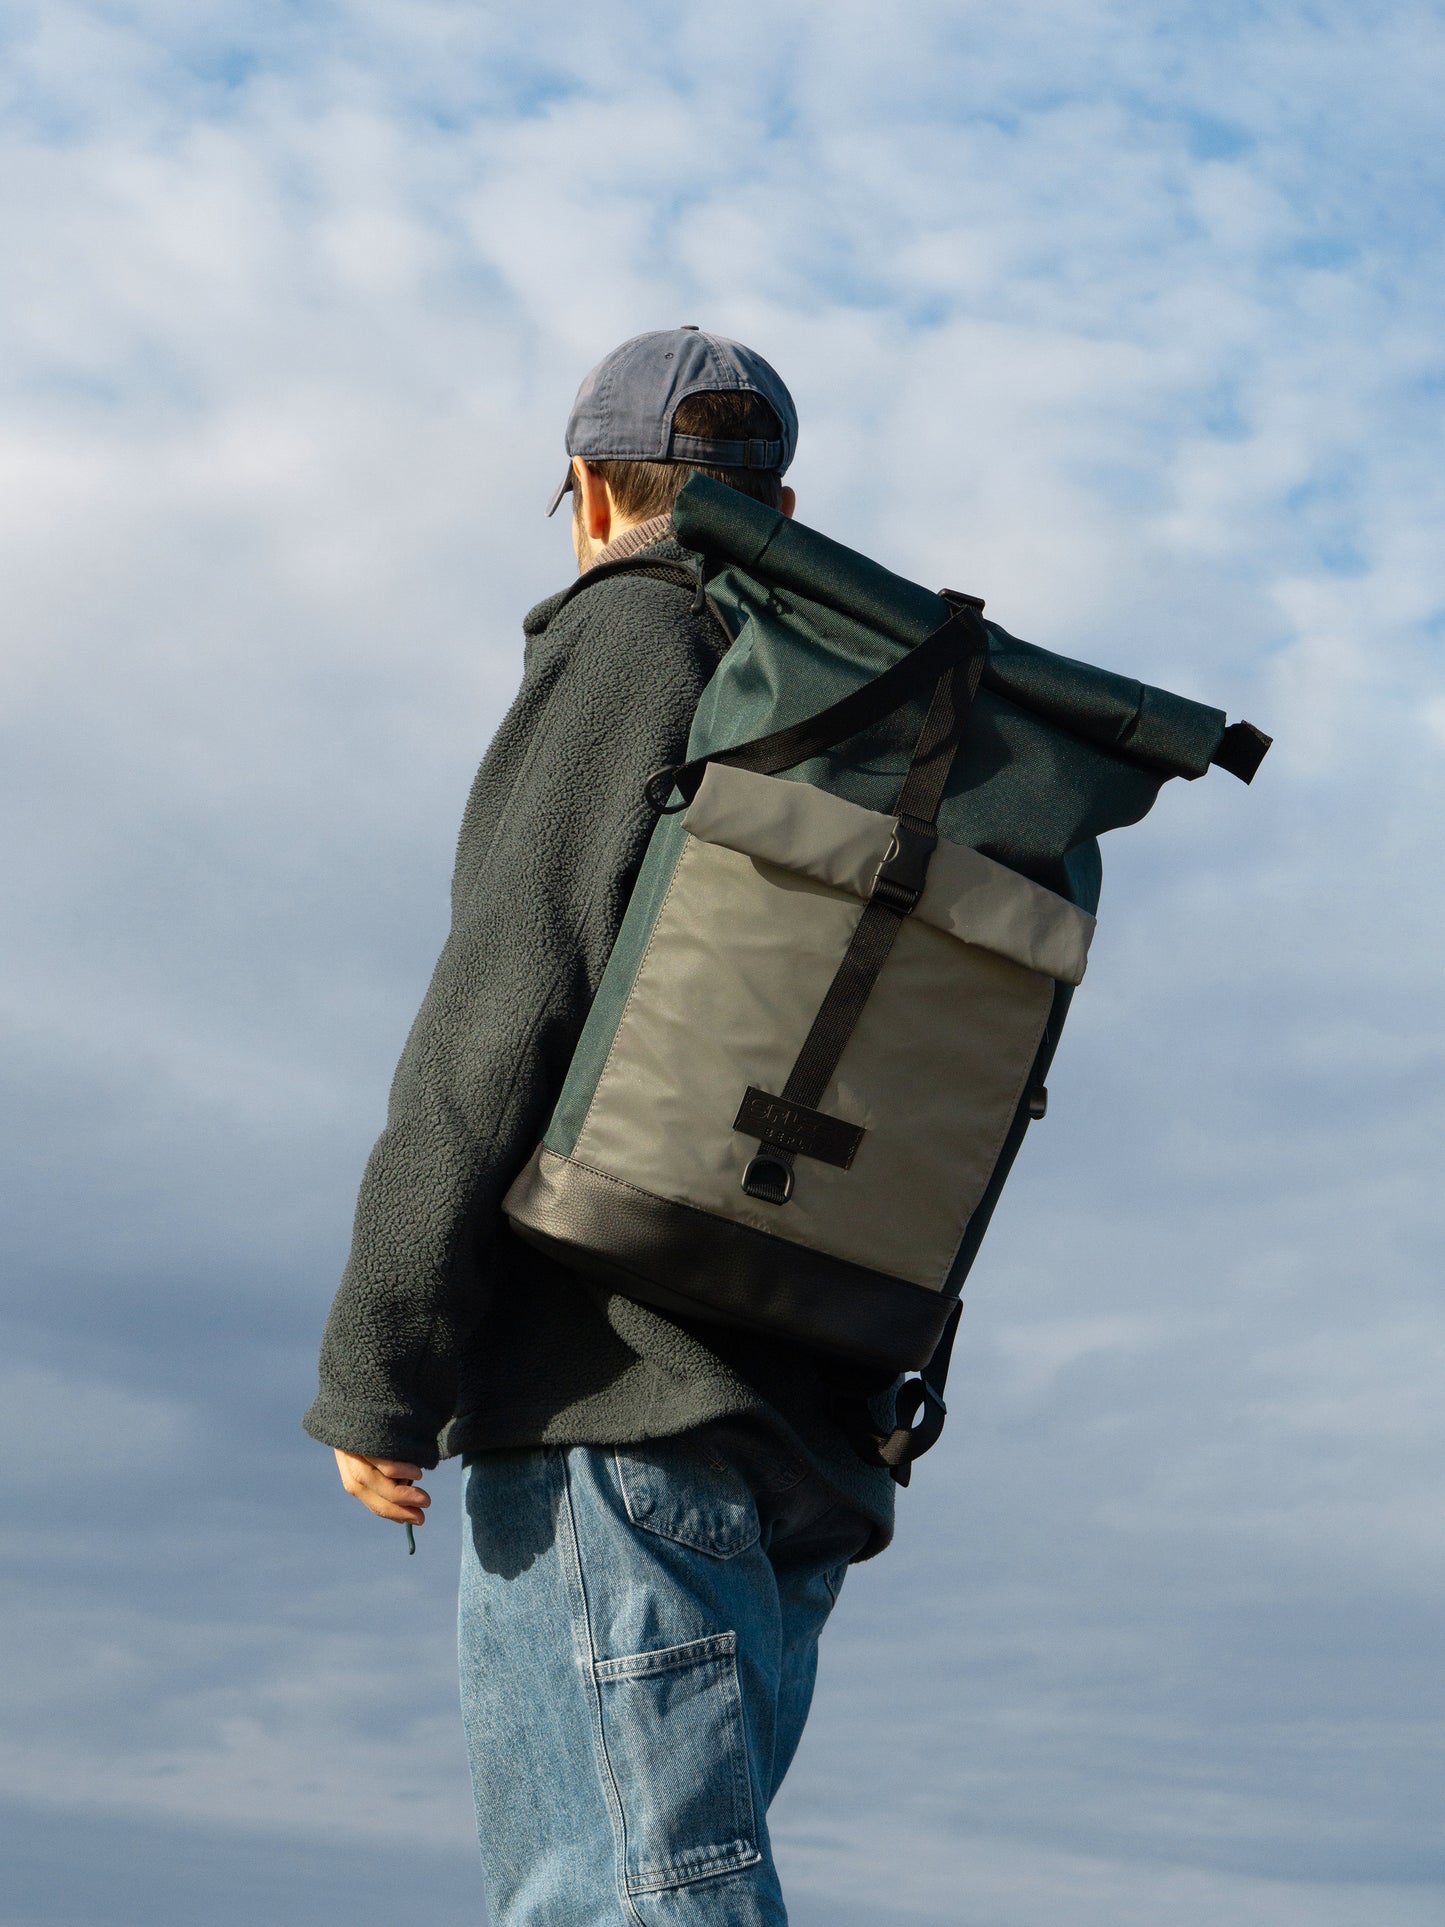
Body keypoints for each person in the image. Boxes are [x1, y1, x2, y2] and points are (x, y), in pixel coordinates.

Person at [304, 328, 898, 1927]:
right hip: (805, 1415)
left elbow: (505, 1006)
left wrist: (380, 1364)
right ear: (779, 509)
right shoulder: (853, 707)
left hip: (616, 1398)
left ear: (583, 490)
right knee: (671, 1884)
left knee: (622, 1902)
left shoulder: (636, 633)